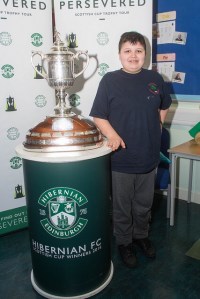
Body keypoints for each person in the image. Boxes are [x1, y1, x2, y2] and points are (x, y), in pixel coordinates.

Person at [90, 31, 172, 268]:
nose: (133, 55)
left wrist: (159, 124)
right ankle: (124, 242)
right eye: (128, 50)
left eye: (138, 51)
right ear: (119, 54)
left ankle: (141, 237)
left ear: (145, 54)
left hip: (149, 156)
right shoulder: (110, 80)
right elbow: (98, 115)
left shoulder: (155, 79)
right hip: (121, 159)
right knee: (122, 205)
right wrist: (113, 135)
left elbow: (164, 105)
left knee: (144, 203)